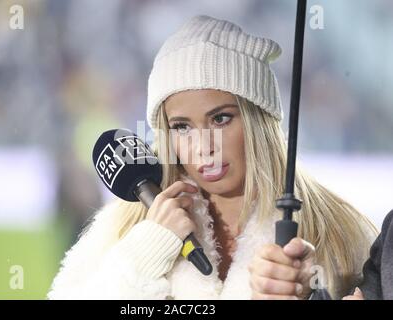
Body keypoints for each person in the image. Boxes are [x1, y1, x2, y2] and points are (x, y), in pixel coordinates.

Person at [47, 15, 377, 300]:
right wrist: (148, 249)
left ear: (258, 121)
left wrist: (311, 293)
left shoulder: (340, 233)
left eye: (220, 119)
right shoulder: (126, 226)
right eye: (182, 127)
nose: (204, 146)